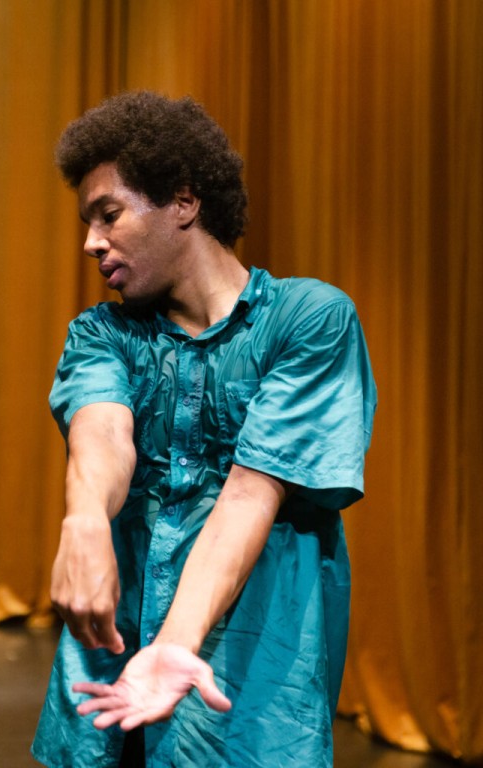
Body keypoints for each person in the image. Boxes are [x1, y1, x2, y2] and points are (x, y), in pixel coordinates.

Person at [31, 91, 377, 767]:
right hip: (115, 656)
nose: (90, 242)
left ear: (183, 203)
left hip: (250, 658)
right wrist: (86, 521)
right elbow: (102, 435)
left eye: (109, 215)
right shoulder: (103, 333)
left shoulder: (308, 319)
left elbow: (251, 492)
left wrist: (175, 646)